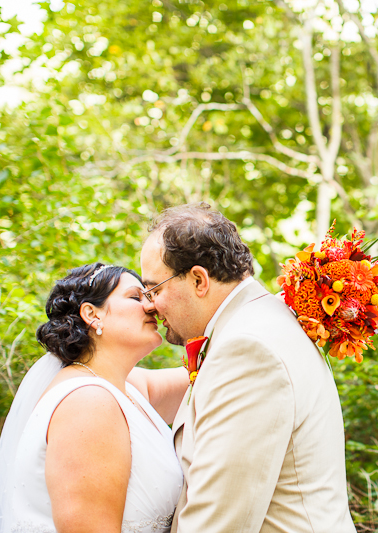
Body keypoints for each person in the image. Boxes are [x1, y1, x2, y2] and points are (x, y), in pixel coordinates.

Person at [140, 203, 356, 532]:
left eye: (154, 288)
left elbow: (219, 522)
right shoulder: (261, 321)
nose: (149, 305)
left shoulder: (248, 349)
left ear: (199, 280)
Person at [0, 263, 190, 533]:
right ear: (92, 314)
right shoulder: (87, 402)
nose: (151, 306)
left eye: (150, 296)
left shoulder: (127, 386)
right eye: (135, 297)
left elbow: (210, 372)